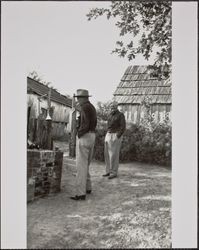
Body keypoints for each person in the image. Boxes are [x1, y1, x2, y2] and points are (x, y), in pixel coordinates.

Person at [70, 89, 97, 201]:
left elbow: (85, 124)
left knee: (81, 166)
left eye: (78, 98)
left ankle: (80, 194)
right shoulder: (92, 107)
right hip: (92, 136)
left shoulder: (84, 107)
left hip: (85, 136)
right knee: (85, 164)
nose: (77, 100)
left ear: (84, 98)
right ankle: (88, 187)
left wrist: (79, 133)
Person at [103, 101, 126, 179]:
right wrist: (107, 134)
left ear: (116, 106)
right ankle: (108, 171)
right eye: (111, 106)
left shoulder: (120, 115)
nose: (112, 107)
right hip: (108, 134)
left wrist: (117, 136)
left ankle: (114, 172)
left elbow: (123, 127)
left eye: (113, 106)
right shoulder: (110, 115)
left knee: (114, 155)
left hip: (115, 135)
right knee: (107, 154)